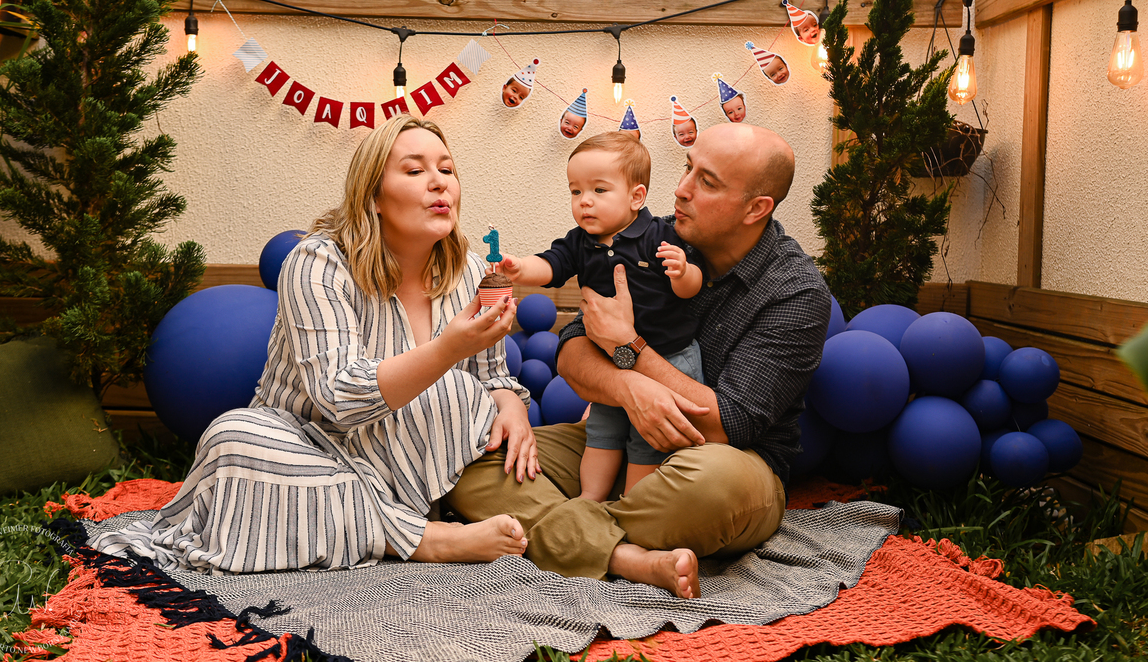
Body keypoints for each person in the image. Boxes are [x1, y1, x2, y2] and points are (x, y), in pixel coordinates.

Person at [92, 114, 538, 574]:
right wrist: (446, 350)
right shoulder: (317, 263)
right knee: (232, 438)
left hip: (403, 455)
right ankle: (426, 538)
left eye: (446, 169)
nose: (439, 182)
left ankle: (366, 523)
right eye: (414, 170)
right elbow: (338, 398)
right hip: (305, 449)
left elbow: (490, 377)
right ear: (373, 196)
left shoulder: (471, 272)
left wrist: (511, 406)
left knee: (457, 392)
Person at [446, 122, 831, 599]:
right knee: (474, 463)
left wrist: (630, 348)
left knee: (714, 487)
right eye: (687, 168)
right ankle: (627, 555)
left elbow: (727, 424)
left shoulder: (795, 292)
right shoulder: (646, 237)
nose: (682, 189)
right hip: (620, 434)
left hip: (719, 462)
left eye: (707, 182)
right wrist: (628, 387)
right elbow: (572, 349)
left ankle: (563, 530)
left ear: (756, 208)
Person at [497, 132, 704, 502]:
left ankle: (631, 506)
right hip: (611, 360)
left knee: (647, 437)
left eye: (599, 190)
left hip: (668, 358)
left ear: (636, 197)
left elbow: (692, 287)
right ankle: (590, 498)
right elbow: (552, 264)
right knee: (602, 430)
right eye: (575, 191)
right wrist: (520, 268)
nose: (584, 201)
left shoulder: (660, 235)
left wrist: (683, 272)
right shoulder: (580, 241)